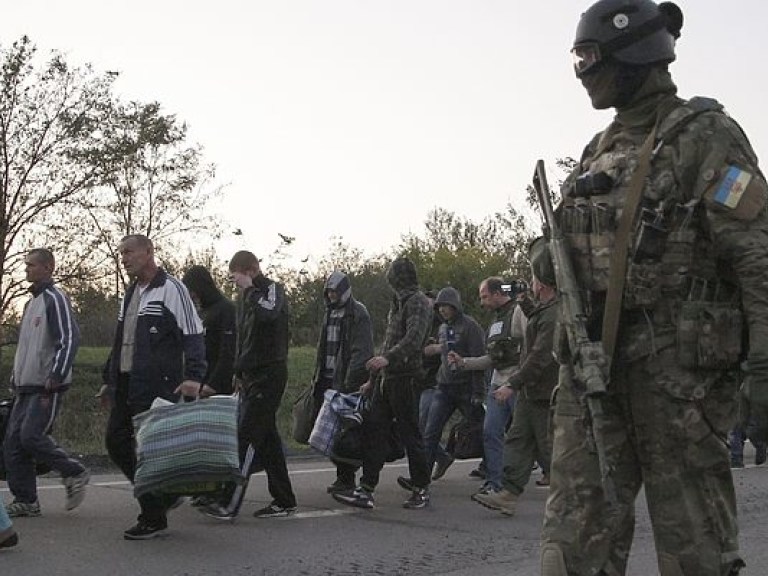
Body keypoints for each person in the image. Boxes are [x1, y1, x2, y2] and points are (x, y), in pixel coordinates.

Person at [540, 1, 767, 573]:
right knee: (570, 552)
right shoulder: (598, 150)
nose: (583, 72)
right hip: (593, 377)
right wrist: (548, 255)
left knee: (697, 553)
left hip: (678, 386)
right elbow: (555, 250)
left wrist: (764, 371)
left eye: (590, 57)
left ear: (633, 52)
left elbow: (757, 257)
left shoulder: (707, 136)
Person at [101, 234, 207, 540]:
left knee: (150, 452)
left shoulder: (171, 289)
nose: (124, 258)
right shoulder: (131, 293)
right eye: (121, 254)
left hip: (157, 387)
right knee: (115, 441)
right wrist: (109, 381)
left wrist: (196, 376)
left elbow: (193, 333)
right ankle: (160, 497)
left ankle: (153, 514)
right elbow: (122, 340)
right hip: (126, 384)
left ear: (149, 252)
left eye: (129, 252)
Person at [200, 250, 297, 520]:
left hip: (270, 373)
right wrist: (238, 371)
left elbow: (269, 314)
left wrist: (252, 290)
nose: (236, 284)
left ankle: (228, 502)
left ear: (251, 270)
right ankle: (284, 499)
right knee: (269, 443)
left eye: (237, 277)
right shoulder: (244, 299)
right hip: (251, 374)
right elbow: (244, 337)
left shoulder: (271, 289)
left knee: (246, 438)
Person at [333, 256, 433, 510]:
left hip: (407, 378)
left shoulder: (418, 302)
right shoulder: (398, 302)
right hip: (388, 380)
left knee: (411, 434)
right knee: (374, 431)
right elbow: (389, 341)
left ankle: (421, 488)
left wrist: (386, 359)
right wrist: (373, 379)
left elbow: (414, 338)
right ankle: (366, 489)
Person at [473, 239, 558, 516]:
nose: (529, 284)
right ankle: (508, 493)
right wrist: (526, 303)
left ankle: (570, 497)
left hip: (545, 392)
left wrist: (512, 384)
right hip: (532, 392)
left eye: (534, 279)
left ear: (542, 284)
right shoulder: (542, 311)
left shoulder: (554, 314)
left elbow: (540, 356)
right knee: (518, 440)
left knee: (549, 447)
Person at [3, 248, 89, 518]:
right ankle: (26, 500)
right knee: (13, 443)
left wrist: (56, 375)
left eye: (31, 265)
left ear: (48, 268)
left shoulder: (56, 299)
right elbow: (26, 347)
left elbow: (68, 338)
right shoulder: (31, 304)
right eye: (26, 265)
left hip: (46, 386)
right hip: (25, 387)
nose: (26, 270)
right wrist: (16, 378)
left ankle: (74, 471)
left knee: (31, 436)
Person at [448, 277, 527, 498]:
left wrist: (518, 381)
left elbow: (531, 348)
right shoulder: (494, 323)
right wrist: (464, 363)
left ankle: (556, 476)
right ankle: (495, 483)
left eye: (484, 296)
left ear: (496, 293)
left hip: (517, 385)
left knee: (527, 437)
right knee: (491, 432)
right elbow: (491, 358)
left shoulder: (519, 313)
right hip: (497, 384)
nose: (482, 302)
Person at [401, 286, 485, 491]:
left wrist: (478, 391)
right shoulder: (441, 328)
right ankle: (421, 479)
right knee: (430, 433)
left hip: (466, 388)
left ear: (455, 305)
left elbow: (479, 358)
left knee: (483, 430)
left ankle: (494, 470)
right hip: (444, 387)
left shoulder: (470, 326)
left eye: (446, 306)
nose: (442, 310)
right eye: (439, 307)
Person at [314, 271, 375, 494]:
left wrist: (350, 381)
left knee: (346, 432)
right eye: (328, 291)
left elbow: (362, 351)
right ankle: (344, 476)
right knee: (331, 430)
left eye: (334, 291)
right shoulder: (329, 313)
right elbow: (323, 347)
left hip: (347, 381)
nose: (330, 296)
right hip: (328, 378)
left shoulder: (358, 313)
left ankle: (347, 477)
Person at [181, 265, 237, 396]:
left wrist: (214, 384)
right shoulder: (201, 313)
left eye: (191, 291)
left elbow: (228, 351)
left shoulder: (226, 310)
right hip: (201, 382)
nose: (190, 296)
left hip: (218, 387)